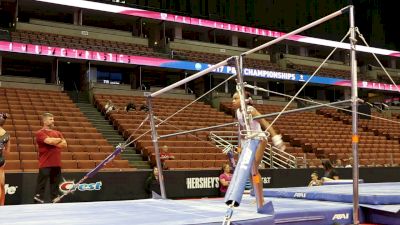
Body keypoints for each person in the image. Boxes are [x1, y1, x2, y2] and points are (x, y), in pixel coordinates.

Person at [232, 91, 285, 208]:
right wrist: (239, 146)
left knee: (254, 169)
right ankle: (257, 195)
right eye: (233, 99)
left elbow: (265, 123)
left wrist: (276, 138)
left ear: (244, 101)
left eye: (235, 99)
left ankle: (261, 198)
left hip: (260, 139)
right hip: (249, 141)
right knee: (251, 173)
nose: (233, 101)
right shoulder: (237, 112)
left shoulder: (251, 110)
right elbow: (241, 129)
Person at [33, 113, 67, 203]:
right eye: (50, 119)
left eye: (53, 119)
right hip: (45, 163)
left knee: (55, 183)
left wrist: (54, 141)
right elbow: (48, 141)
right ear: (44, 121)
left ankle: (54, 198)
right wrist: (58, 140)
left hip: (56, 163)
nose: (53, 121)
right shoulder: (40, 133)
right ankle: (39, 198)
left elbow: (64, 144)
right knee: (42, 184)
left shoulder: (58, 133)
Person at [0, 113, 10, 205]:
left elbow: (7, 151)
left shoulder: (6, 135)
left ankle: (2, 205)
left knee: (2, 184)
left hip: (0, 162)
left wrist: (3, 155)